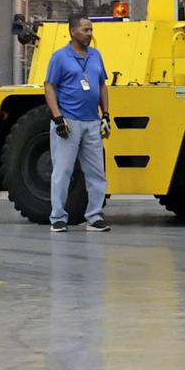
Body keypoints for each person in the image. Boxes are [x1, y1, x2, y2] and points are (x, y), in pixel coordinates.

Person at [44, 15, 111, 233]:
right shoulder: (60, 57)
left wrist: (106, 115)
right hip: (69, 122)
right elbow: (49, 86)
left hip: (92, 122)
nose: (90, 34)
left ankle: (95, 216)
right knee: (63, 170)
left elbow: (102, 85)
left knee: (96, 172)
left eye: (91, 30)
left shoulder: (95, 55)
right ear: (73, 32)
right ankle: (58, 217)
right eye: (85, 30)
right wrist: (58, 118)